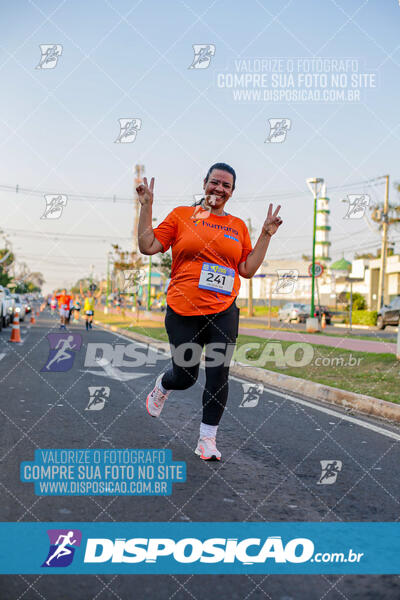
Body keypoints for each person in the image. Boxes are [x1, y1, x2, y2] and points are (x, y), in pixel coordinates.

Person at [137, 163, 283, 461]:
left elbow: (247, 269)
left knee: (219, 375)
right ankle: (163, 385)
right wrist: (146, 206)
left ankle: (207, 440)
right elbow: (148, 245)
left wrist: (266, 235)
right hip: (183, 309)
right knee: (186, 377)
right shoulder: (181, 216)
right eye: (214, 182)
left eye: (226, 185)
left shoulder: (238, 226)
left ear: (231, 192)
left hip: (223, 311)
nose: (219, 188)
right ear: (204, 183)